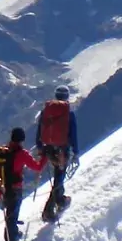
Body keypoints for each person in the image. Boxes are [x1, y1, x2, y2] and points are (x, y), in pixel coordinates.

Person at [0, 127, 45, 241]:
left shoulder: (3, 151)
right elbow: (38, 167)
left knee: (10, 215)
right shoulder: (22, 154)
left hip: (3, 188)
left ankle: (12, 236)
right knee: (11, 218)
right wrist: (45, 157)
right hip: (15, 189)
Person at [35, 86, 81, 222]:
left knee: (58, 177)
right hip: (62, 150)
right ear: (67, 96)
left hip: (48, 149)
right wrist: (76, 152)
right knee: (59, 177)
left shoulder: (46, 111)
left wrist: (40, 147)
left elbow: (40, 130)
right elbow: (73, 135)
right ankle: (49, 210)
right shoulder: (69, 113)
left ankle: (60, 200)